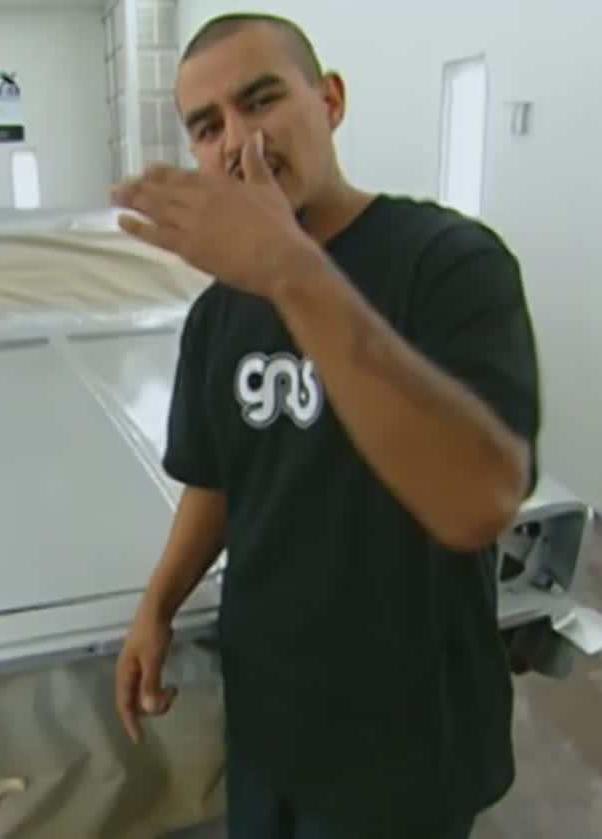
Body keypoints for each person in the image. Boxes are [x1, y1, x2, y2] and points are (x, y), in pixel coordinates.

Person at [111, 12, 540, 839]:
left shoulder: (447, 263)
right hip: (270, 717)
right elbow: (220, 477)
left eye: (260, 101)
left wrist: (291, 271)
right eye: (207, 127)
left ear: (331, 101)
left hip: (404, 740)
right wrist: (156, 605)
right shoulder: (218, 314)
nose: (240, 142)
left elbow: (477, 500)